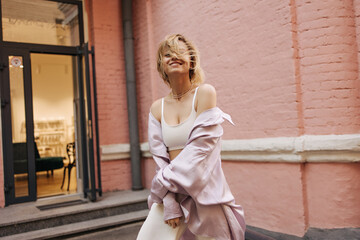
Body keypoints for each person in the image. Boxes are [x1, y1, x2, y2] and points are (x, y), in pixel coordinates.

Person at [137, 34, 246, 240]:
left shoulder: (205, 94)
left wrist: (162, 186)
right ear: (162, 64)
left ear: (192, 61)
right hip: (170, 195)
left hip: (204, 195)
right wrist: (169, 201)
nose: (174, 57)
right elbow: (160, 158)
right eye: (167, 54)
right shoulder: (156, 108)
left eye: (180, 52)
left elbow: (199, 152)